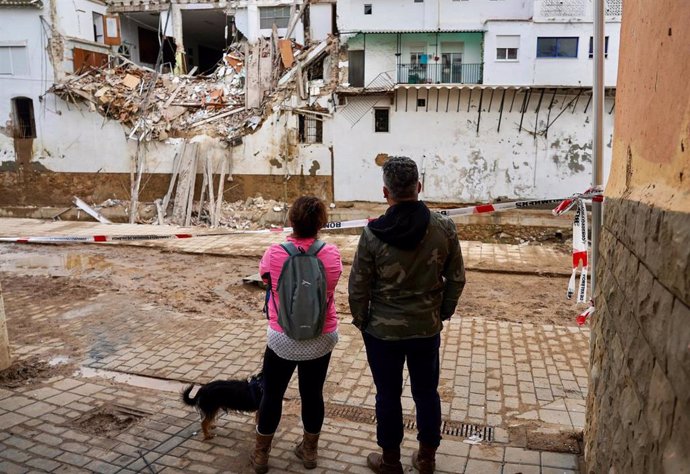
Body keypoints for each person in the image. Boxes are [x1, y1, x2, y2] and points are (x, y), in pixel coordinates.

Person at [348, 157, 465, 474]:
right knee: (426, 393)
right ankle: (427, 458)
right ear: (419, 187)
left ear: (385, 192)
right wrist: (441, 313)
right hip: (425, 330)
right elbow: (456, 278)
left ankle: (390, 462)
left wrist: (363, 322)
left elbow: (358, 287)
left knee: (387, 395)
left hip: (382, 334)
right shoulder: (444, 228)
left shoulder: (372, 235)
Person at [251, 195, 342, 474]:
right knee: (312, 394)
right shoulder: (331, 254)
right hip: (321, 336)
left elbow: (267, 281)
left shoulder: (274, 253)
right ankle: (309, 451)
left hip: (283, 338)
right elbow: (331, 287)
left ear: (291, 221)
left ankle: (262, 455)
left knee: (272, 394)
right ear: (322, 223)